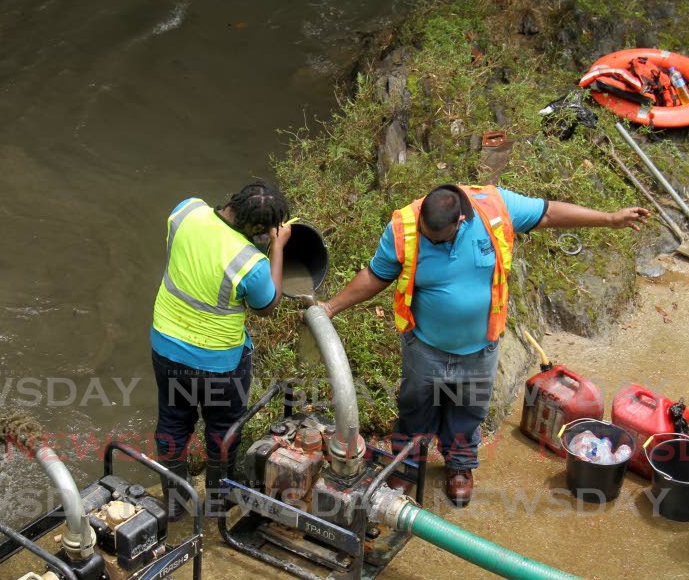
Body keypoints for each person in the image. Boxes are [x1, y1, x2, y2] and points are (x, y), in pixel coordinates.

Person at [319, 183, 648, 506]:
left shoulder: (493, 206)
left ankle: (459, 467)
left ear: (459, 221)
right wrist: (330, 308)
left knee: (469, 410)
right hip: (425, 348)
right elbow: (377, 274)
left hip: (480, 349)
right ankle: (407, 465)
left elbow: (546, 213)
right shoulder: (405, 227)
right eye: (426, 234)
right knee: (415, 407)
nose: (430, 241)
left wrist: (609, 218)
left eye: (438, 238)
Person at [150, 180, 291, 517]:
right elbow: (268, 305)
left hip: (166, 347)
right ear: (259, 229)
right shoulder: (250, 263)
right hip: (218, 365)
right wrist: (279, 246)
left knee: (172, 421)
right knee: (222, 429)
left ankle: (175, 501)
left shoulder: (186, 210)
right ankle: (217, 500)